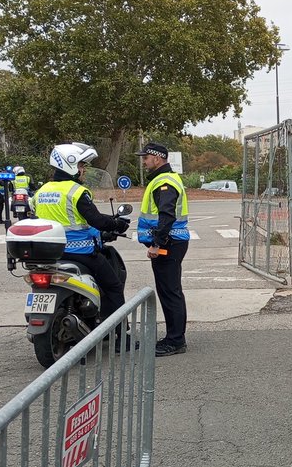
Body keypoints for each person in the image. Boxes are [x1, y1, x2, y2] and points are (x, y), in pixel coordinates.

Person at [32, 143, 131, 329]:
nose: (83, 170)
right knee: (113, 287)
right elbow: (96, 220)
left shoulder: (41, 192)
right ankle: (119, 337)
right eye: (80, 165)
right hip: (80, 252)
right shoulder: (76, 192)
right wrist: (117, 224)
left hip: (50, 254)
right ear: (69, 165)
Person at [135, 141, 190, 357]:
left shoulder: (164, 183)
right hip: (171, 242)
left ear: (157, 158)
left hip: (169, 244)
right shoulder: (163, 180)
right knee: (169, 290)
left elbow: (166, 216)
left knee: (170, 292)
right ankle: (173, 337)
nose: (144, 161)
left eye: (146, 158)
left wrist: (157, 244)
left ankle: (176, 341)